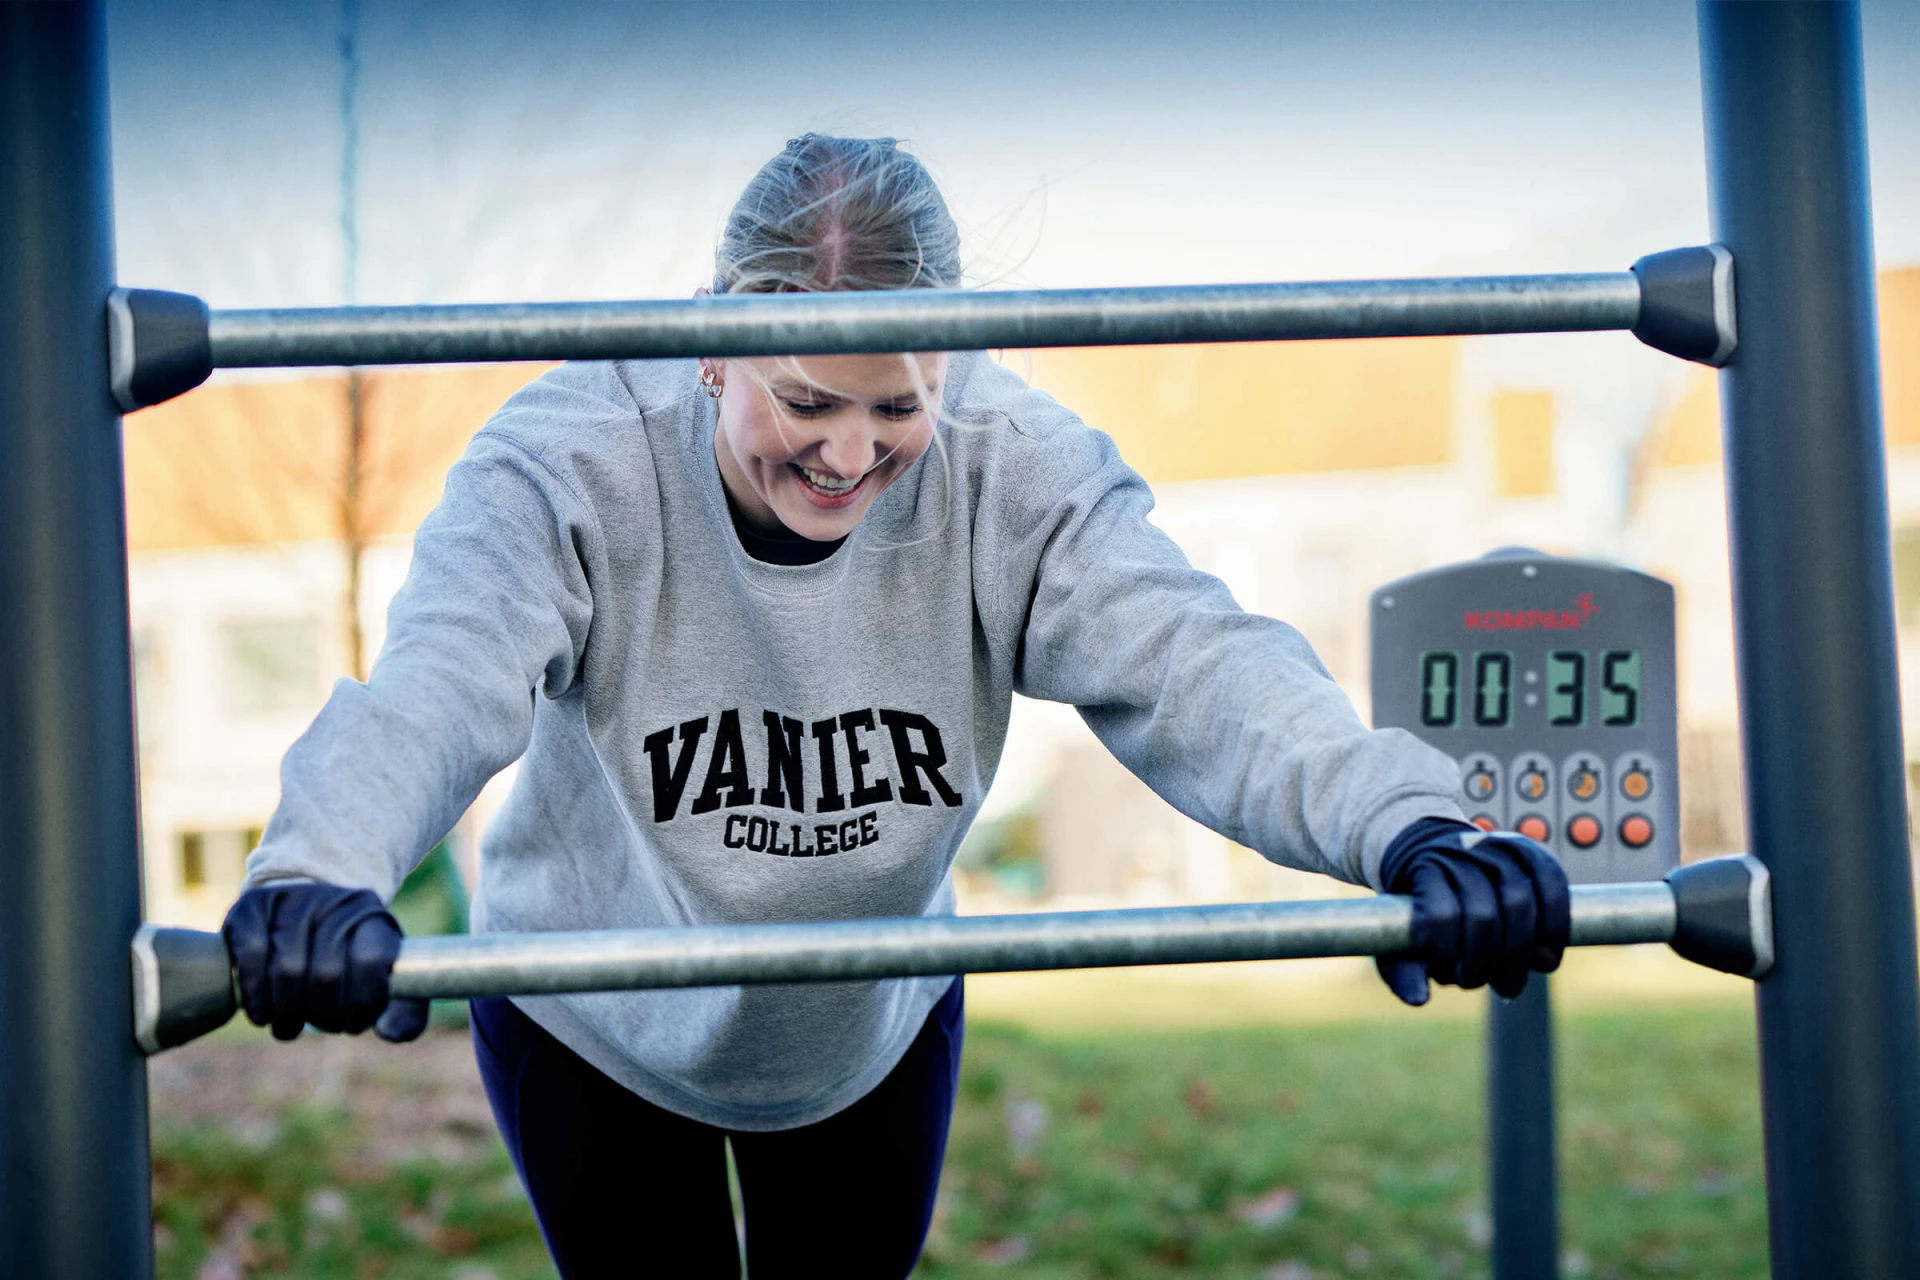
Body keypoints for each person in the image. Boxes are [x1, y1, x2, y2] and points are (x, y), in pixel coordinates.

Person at [223, 133, 1568, 1279]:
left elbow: (1201, 664)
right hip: (597, 1015)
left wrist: (1413, 829)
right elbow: (440, 676)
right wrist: (321, 870)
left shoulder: (1012, 468)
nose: (850, 453)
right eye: (806, 400)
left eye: (898, 404)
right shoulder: (571, 459)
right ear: (709, 345)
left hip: (867, 1019)